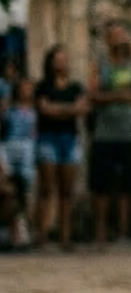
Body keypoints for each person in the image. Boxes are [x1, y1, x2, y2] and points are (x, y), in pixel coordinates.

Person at [88, 22, 131, 251]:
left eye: (121, 35)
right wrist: (122, 95)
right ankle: (100, 236)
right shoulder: (100, 64)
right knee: (101, 187)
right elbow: (93, 94)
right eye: (114, 35)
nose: (118, 39)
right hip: (105, 134)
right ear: (107, 39)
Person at [35, 45, 88, 252]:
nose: (61, 63)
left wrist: (58, 109)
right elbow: (44, 109)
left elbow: (82, 108)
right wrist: (70, 109)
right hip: (48, 138)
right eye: (57, 59)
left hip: (69, 139)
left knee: (67, 191)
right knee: (46, 189)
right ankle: (42, 234)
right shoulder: (43, 86)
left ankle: (65, 237)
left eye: (64, 59)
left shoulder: (76, 87)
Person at [2, 76, 37, 245]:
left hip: (28, 150)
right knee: (9, 187)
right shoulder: (9, 111)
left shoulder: (35, 110)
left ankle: (22, 230)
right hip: (9, 148)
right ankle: (10, 229)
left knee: (24, 189)